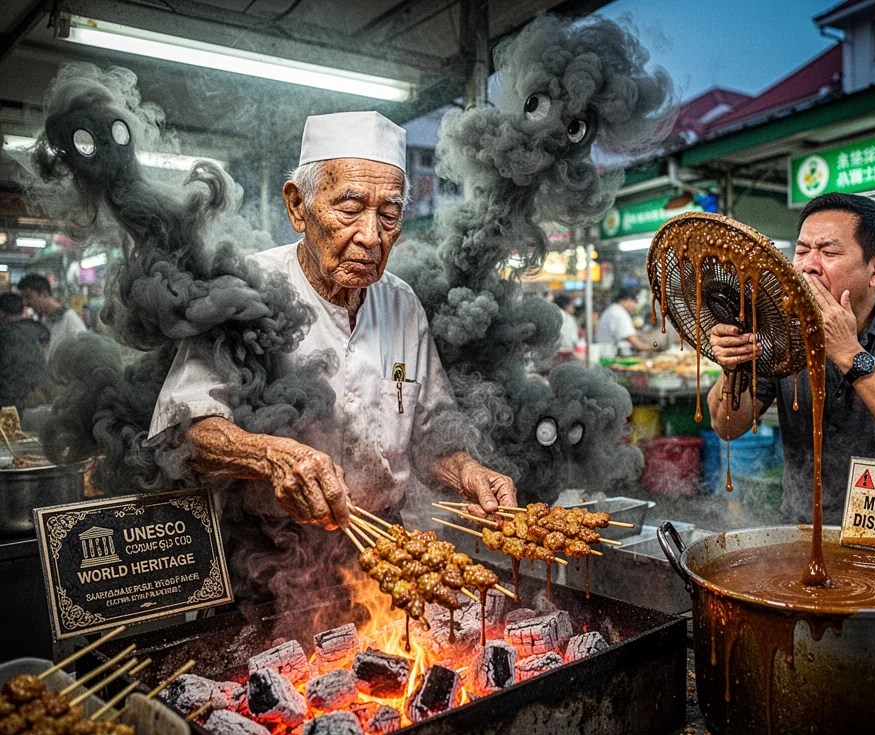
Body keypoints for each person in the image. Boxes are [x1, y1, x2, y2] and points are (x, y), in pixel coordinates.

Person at [149, 112, 516, 533]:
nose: (371, 237)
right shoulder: (248, 289)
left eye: (389, 215)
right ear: (297, 206)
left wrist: (466, 470)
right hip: (271, 547)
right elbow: (187, 425)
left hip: (381, 541)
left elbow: (430, 433)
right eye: (350, 208)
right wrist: (273, 456)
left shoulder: (402, 305)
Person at [708, 192, 875, 525]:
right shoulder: (778, 327)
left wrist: (849, 353)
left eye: (829, 252)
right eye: (800, 251)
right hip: (805, 521)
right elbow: (726, 426)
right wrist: (733, 367)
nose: (808, 264)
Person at [17, 273, 84, 359]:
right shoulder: (46, 319)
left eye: (28, 297)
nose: (25, 303)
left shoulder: (69, 319)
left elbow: (83, 354)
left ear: (44, 294)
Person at [596, 288, 652, 355]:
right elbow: (632, 339)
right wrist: (651, 350)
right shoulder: (619, 313)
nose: (635, 306)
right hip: (610, 357)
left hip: (607, 353)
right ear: (627, 300)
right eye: (634, 302)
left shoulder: (613, 309)